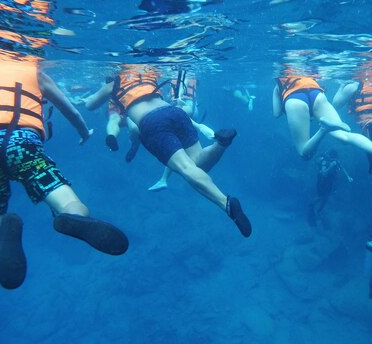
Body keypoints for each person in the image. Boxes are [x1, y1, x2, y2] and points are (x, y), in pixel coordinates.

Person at [0, 45, 129, 290]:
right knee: (67, 200)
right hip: (23, 141)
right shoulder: (33, 70)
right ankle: (73, 218)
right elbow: (69, 109)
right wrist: (84, 132)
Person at [84, 65, 252, 237]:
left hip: (151, 122)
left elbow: (90, 105)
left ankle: (226, 203)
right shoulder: (146, 72)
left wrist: (90, 98)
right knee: (198, 164)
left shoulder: (114, 83)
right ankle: (220, 144)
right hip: (175, 112)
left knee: (187, 169)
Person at [272, 72, 372, 181]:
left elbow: (276, 113)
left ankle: (324, 129)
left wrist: (279, 94)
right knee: (345, 136)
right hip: (317, 94)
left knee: (304, 153)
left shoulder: (279, 82)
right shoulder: (308, 74)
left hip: (294, 98)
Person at [149, 72, 218, 192]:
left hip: (184, 108)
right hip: (191, 110)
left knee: (175, 146)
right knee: (179, 147)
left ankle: (165, 179)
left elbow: (183, 82)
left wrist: (179, 97)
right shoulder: (190, 75)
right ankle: (165, 179)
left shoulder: (183, 73)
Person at [307, 149, 353, 226]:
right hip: (322, 182)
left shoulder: (336, 161)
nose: (334, 159)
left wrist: (348, 176)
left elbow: (342, 168)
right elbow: (324, 173)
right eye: (332, 158)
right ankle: (312, 206)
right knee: (322, 197)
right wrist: (331, 166)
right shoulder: (325, 162)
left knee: (326, 197)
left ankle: (319, 211)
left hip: (330, 182)